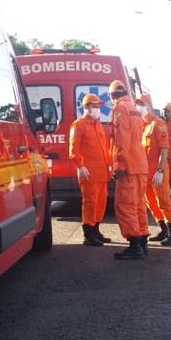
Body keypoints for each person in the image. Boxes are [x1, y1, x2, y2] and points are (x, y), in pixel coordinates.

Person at [107, 79, 150, 259]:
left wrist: (119, 165)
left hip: (129, 166)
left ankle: (135, 245)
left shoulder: (120, 109)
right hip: (140, 164)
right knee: (138, 205)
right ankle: (142, 240)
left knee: (125, 206)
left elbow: (121, 140)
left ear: (112, 95)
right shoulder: (134, 108)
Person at [68, 93, 112, 246]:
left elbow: (104, 148)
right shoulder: (78, 125)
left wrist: (109, 165)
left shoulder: (97, 124)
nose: (97, 109)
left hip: (101, 172)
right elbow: (74, 149)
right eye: (94, 106)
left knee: (101, 203)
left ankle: (96, 230)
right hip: (89, 173)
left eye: (98, 106)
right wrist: (80, 166)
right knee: (90, 203)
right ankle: (88, 234)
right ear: (86, 107)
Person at [138, 94, 171, 246]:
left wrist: (160, 170)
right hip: (144, 172)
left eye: (142, 104)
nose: (139, 107)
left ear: (149, 105)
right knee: (151, 203)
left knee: (164, 201)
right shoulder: (140, 124)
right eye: (138, 104)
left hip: (157, 171)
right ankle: (163, 229)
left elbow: (164, 149)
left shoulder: (158, 123)